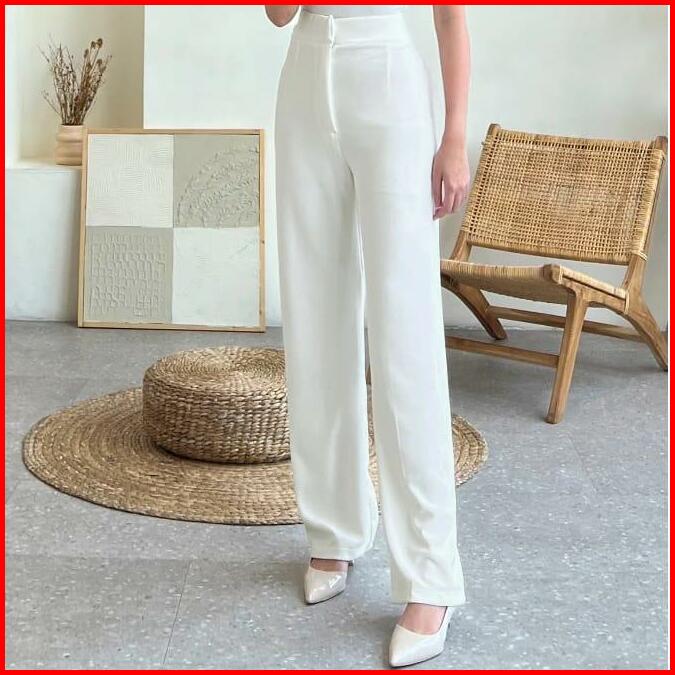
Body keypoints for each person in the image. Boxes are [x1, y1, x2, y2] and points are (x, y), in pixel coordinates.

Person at [265, 4, 471, 667]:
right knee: (313, 317)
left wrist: (454, 137)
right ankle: (334, 531)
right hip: (305, 78)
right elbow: (277, 14)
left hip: (386, 79)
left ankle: (430, 580)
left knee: (404, 333)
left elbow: (449, 17)